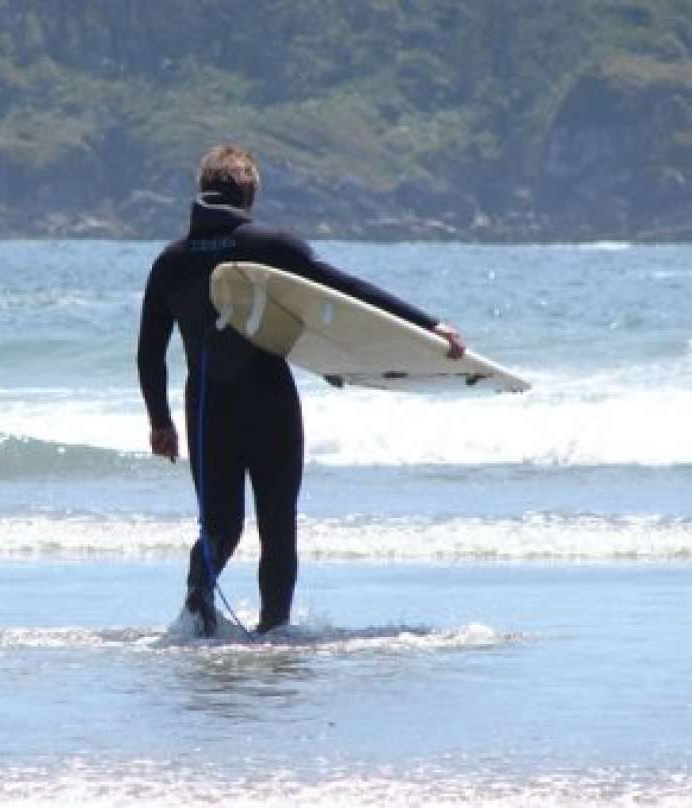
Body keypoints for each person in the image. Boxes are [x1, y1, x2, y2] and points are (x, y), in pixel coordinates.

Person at [136, 145, 465, 637]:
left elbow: (149, 352)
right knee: (277, 526)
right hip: (269, 404)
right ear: (249, 193)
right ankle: (275, 634)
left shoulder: (170, 261)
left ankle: (195, 619)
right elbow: (348, 290)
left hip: (208, 410)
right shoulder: (272, 247)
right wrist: (428, 325)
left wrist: (160, 422)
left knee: (219, 528)